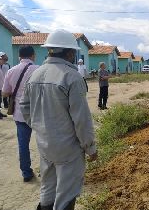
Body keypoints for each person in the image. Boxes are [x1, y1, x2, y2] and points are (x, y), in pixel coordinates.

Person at [20, 29, 97, 210]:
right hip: (68, 148)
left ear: (50, 50)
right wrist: (90, 147)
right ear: (70, 53)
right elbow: (81, 120)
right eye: (74, 53)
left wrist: (39, 126)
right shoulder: (72, 77)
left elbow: (24, 107)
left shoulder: (36, 74)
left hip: (45, 144)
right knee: (66, 193)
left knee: (47, 188)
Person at [2, 46, 39, 182]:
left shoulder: (11, 71)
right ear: (33, 56)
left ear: (19, 56)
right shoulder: (40, 70)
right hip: (39, 113)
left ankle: (26, 173)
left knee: (23, 144)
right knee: (44, 142)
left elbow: (5, 93)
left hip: (20, 114)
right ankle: (47, 170)